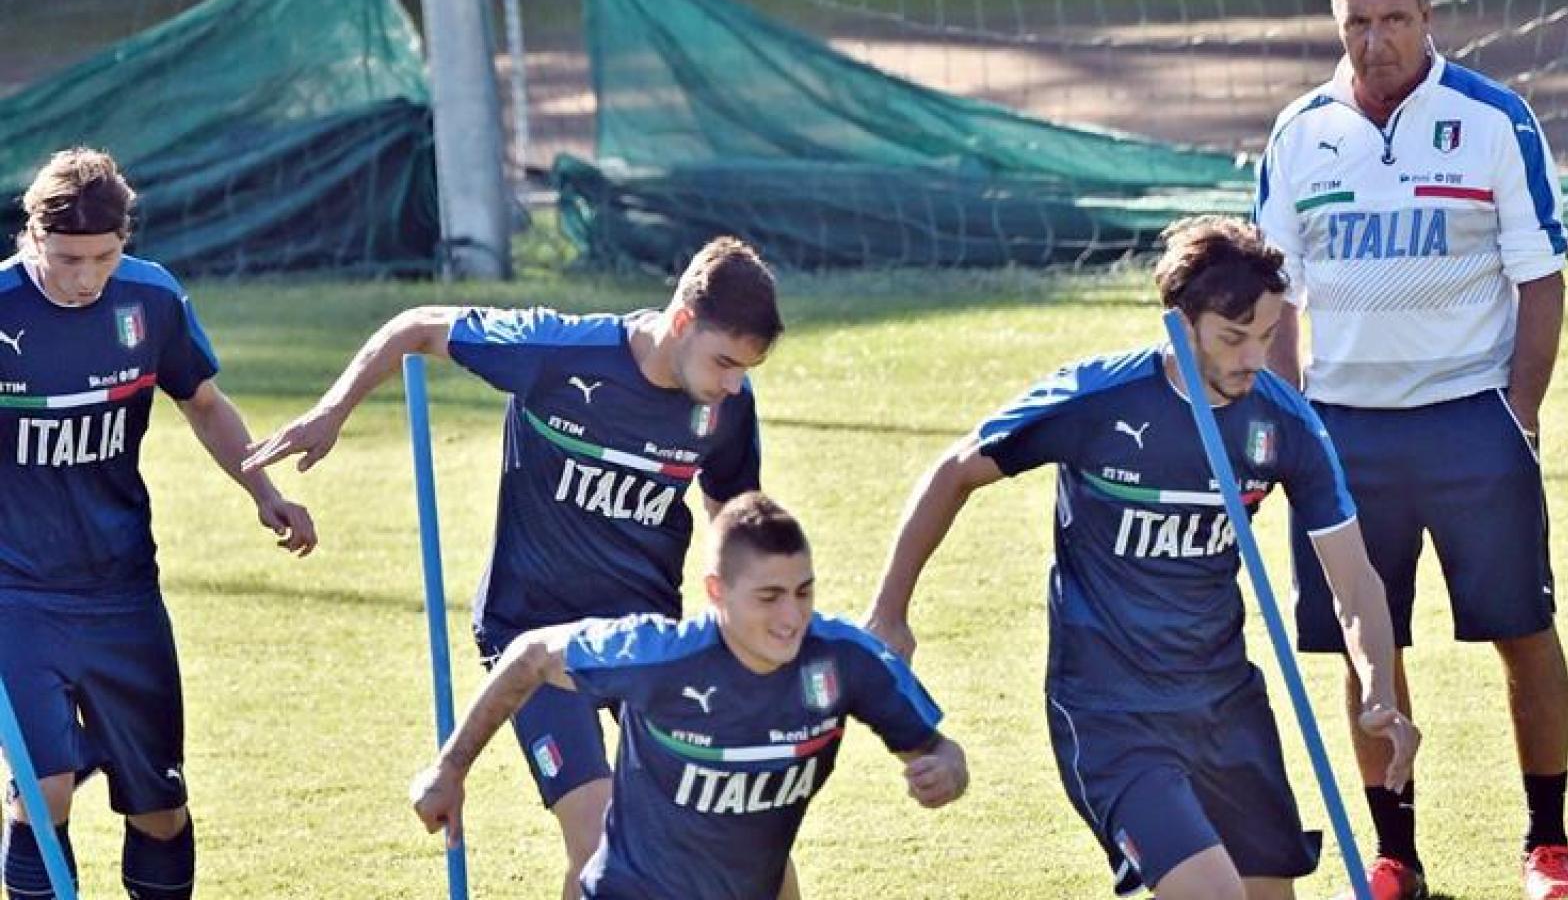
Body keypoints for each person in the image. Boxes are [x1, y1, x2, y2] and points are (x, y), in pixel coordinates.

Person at [863, 215, 1417, 900]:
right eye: (1233, 337)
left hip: (1225, 705)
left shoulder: (1286, 423)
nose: (1253, 357)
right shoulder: (1097, 400)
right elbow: (955, 472)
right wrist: (891, 610)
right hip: (1110, 709)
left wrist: (1378, 690)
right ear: (1181, 326)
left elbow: (1355, 579)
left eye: (1267, 336)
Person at [243, 236, 785, 897]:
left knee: (750, 834)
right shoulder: (556, 351)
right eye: (725, 362)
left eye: (745, 369)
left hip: (642, 638)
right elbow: (416, 326)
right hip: (529, 634)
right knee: (599, 849)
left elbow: (734, 523)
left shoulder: (729, 408)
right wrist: (332, 412)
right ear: (681, 323)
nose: (734, 384)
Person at [1253, 0, 1568, 897]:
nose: (1375, 40)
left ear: (1428, 18)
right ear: (1336, 25)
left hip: (1473, 419)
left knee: (1523, 631)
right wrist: (1287, 420)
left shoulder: (1494, 119)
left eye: (1393, 20)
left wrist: (1517, 414)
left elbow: (1542, 277)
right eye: (1357, 22)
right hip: (1344, 434)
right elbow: (1277, 295)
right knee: (1369, 647)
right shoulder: (1298, 132)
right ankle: (1396, 855)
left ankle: (1547, 845)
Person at [0, 148, 317, 900]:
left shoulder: (151, 301)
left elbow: (203, 403)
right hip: (16, 594)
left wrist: (262, 490)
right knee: (42, 796)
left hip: (122, 591)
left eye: (104, 257)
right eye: (68, 258)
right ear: (32, 236)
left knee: (161, 808)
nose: (86, 278)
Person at [411, 491, 969, 899]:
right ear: (716, 594)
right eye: (769, 597)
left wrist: (945, 771)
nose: (790, 618)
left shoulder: (844, 658)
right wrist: (450, 769)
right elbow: (531, 655)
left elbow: (940, 751)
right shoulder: (657, 656)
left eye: (804, 592)